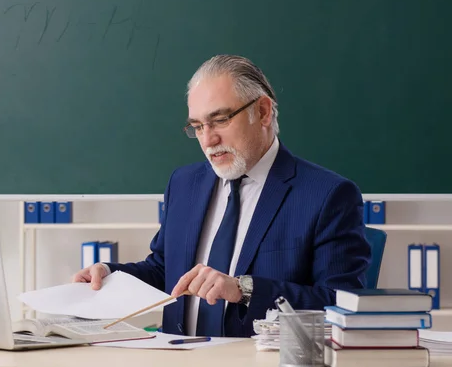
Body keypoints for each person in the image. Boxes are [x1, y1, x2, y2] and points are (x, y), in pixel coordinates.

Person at [72, 54, 371, 338]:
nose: (208, 140)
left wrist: (244, 289)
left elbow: (341, 304)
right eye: (198, 126)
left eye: (220, 120)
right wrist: (111, 275)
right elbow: (165, 269)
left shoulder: (327, 195)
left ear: (263, 112)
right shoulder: (184, 183)